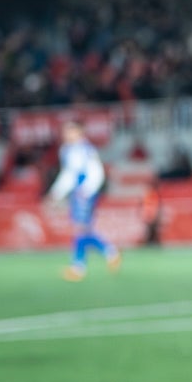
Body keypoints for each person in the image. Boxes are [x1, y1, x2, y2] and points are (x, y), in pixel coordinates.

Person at [46, 119, 120, 281]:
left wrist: (86, 190)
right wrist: (56, 193)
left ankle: (79, 266)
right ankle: (108, 252)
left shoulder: (86, 150)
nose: (66, 134)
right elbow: (68, 175)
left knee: (80, 228)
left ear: (79, 132)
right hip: (76, 193)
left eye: (69, 130)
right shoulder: (66, 150)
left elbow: (97, 172)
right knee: (83, 229)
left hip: (84, 193)